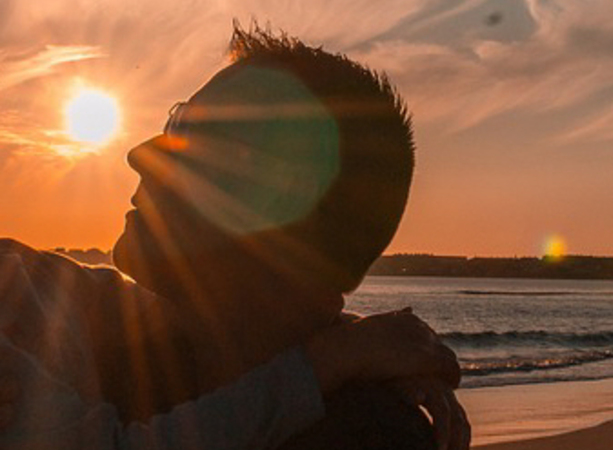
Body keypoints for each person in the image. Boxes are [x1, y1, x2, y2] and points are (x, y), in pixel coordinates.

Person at [0, 23, 469, 450]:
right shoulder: (105, 350)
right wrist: (339, 353)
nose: (139, 153)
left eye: (189, 131)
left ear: (281, 195)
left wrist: (352, 348)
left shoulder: (363, 433)